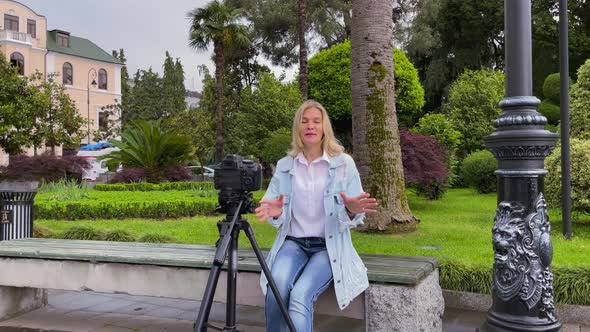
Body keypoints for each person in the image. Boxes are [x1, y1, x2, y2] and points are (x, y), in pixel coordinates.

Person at [255, 100, 378, 332]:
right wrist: (277, 213)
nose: (310, 126)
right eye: (304, 121)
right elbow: (274, 208)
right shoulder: (284, 165)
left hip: (327, 247)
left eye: (316, 121)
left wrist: (351, 208)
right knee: (276, 286)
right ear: (298, 128)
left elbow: (354, 215)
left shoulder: (343, 163)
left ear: (324, 127)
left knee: (300, 294)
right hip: (293, 243)